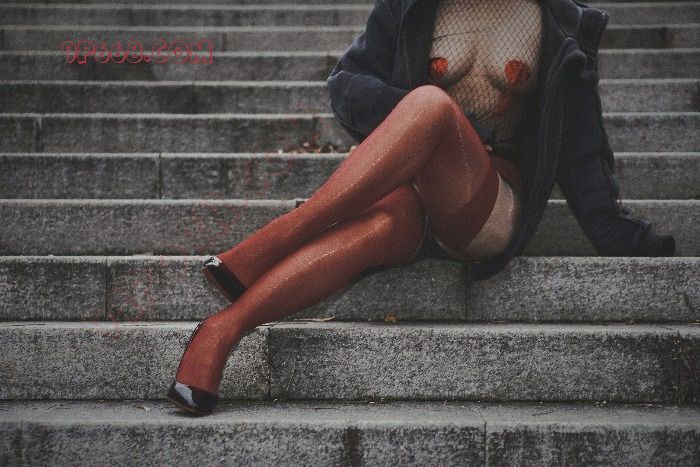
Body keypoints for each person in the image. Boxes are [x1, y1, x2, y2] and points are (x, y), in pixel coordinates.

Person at [167, 0, 675, 415]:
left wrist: (622, 235)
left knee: (431, 104)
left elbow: (583, 150)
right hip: (412, 191)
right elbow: (347, 85)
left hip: (488, 204)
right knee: (384, 221)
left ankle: (278, 237)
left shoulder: (560, 20)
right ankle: (222, 331)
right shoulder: (410, 5)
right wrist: (416, 124)